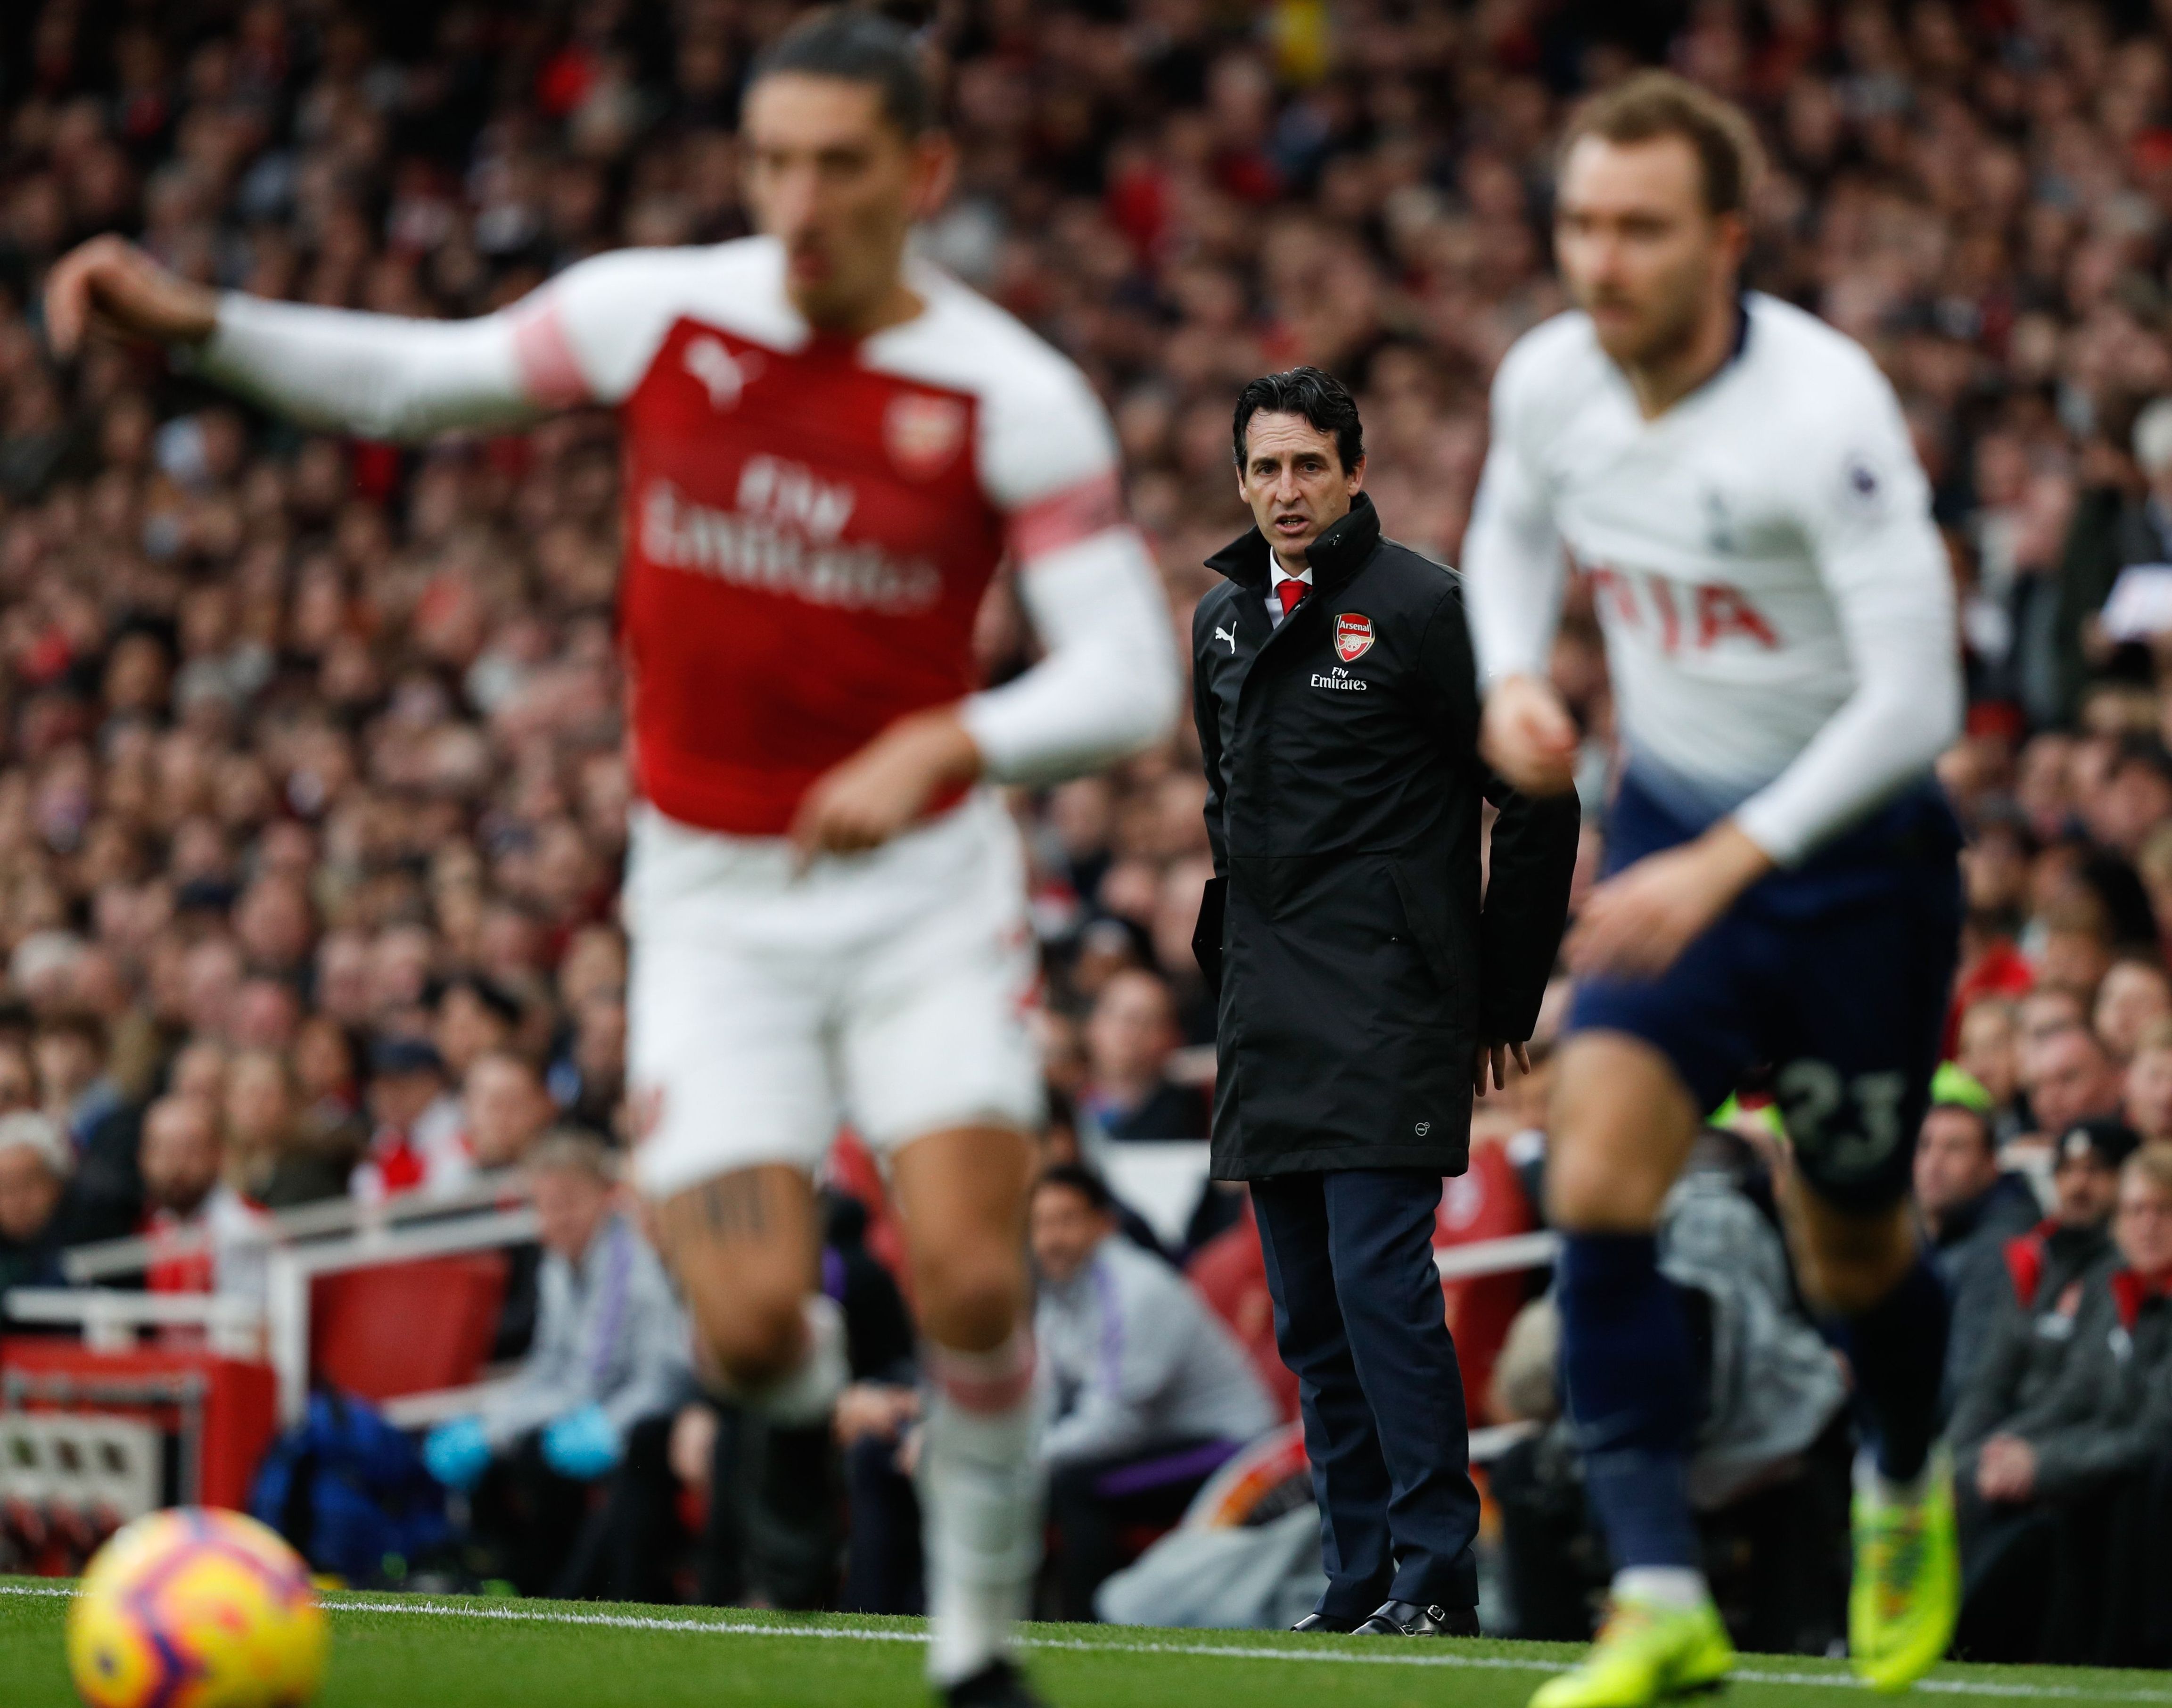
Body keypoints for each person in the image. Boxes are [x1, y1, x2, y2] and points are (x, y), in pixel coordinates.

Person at [48, 14, 1176, 1699]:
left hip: (924, 894)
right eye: (771, 160)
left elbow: (1126, 675)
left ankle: (971, 1649)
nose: (796, 201)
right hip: (712, 902)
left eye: (839, 166)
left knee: (961, 1271)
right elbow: (423, 380)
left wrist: (956, 737)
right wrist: (201, 328)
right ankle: (799, 1409)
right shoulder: (660, 313)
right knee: (740, 1334)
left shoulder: (1007, 392)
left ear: (921, 176)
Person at [1465, 74, 1966, 1700]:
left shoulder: (1820, 413)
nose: (1599, 260)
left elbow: (1916, 704)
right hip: (1675, 825)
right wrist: (1507, 683)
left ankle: (1899, 1469)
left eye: (1639, 229)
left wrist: (1731, 863)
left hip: (1848, 867)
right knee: (1595, 1181)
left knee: (1850, 1254)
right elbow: (1509, 530)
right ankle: (1658, 1594)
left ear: (1722, 240)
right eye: (1578, 224)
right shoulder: (1549, 379)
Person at [1193, 367, 1577, 1637]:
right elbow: (1226, 812)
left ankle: (1435, 1570)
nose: (1285, 490)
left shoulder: (1423, 608)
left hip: (1388, 1002)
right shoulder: (1224, 622)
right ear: (1240, 480)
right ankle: (1355, 1572)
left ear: (1356, 471)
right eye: (1265, 468)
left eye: (1309, 465)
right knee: (1309, 1313)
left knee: (1380, 1290)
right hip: (1269, 1012)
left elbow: (1538, 791)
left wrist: (1498, 993)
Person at [422, 1131, 694, 1601]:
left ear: (607, 1198)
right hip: (593, 1407)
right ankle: (515, 1582)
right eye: (545, 1204)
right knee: (503, 1460)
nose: (557, 1218)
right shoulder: (556, 1265)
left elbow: (641, 1375)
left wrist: (603, 1422)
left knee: (536, 1456)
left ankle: (563, 1594)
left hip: (645, 1411)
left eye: (570, 1201)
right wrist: (493, 1417)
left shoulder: (632, 1259)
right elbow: (549, 1363)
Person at [1951, 1143, 2172, 1663]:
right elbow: (2074, 1394)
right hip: (2096, 1466)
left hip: (2135, 1490)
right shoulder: (2112, 1285)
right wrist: (2001, 1449)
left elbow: (2155, 1434)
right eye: (2135, 1210)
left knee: (2044, 1530)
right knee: (1968, 1482)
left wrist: (2044, 1466)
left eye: (2164, 1210)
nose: (2148, 1225)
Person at [1029, 1165, 1276, 1621]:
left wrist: (1029, 1457)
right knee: (1049, 1476)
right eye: (1040, 1223)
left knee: (1073, 1482)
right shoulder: (1059, 1291)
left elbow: (1114, 1425)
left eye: (1066, 1220)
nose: (1051, 1238)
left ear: (1105, 1223)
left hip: (1233, 1448)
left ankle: (1090, 1626)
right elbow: (1045, 1395)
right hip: (1154, 1439)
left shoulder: (1138, 1289)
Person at [1914, 1069, 2043, 1398]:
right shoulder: (1928, 1232)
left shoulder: (2001, 1247)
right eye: (1924, 1145)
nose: (1934, 1162)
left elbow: (1970, 1382)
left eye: (1955, 1148)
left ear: (1990, 1164)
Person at [139, 1093, 271, 1305]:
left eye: (189, 1149)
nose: (176, 1165)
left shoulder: (245, 1228)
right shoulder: (151, 1221)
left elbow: (252, 1330)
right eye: (163, 1150)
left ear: (219, 1154)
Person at [1077, 969, 1209, 1144]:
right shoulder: (1060, 1104)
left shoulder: (1193, 1114)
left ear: (1172, 1037)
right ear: (1091, 1026)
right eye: (1113, 1014)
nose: (1126, 1032)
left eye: (1143, 1021)